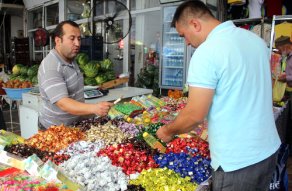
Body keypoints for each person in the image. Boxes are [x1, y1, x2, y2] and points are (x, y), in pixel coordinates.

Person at [156, 1, 281, 190]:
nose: (187, 42)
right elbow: (264, 85)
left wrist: (167, 131)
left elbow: (194, 115)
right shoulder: (254, 40)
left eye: (184, 36)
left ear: (195, 24)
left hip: (237, 162)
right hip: (268, 150)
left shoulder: (207, 52)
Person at [38, 20, 113, 129]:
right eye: (72, 38)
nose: (77, 43)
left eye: (79, 39)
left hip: (74, 125)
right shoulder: (51, 66)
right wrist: (94, 108)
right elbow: (63, 103)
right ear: (58, 41)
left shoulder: (71, 58)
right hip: (55, 130)